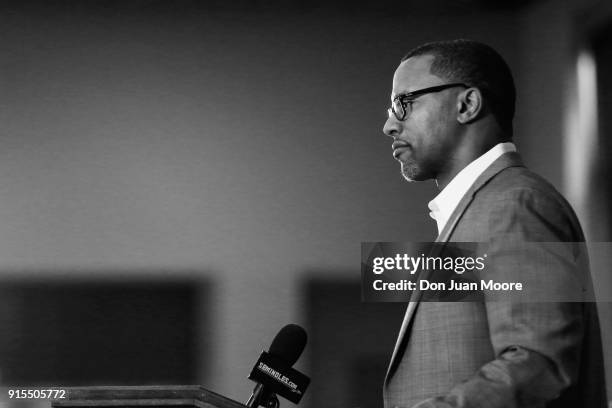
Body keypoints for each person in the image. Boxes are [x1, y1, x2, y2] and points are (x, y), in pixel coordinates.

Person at [381, 39, 607, 408]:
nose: (389, 125)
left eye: (403, 103)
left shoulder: (515, 205)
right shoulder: (483, 208)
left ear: (467, 104)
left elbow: (540, 365)